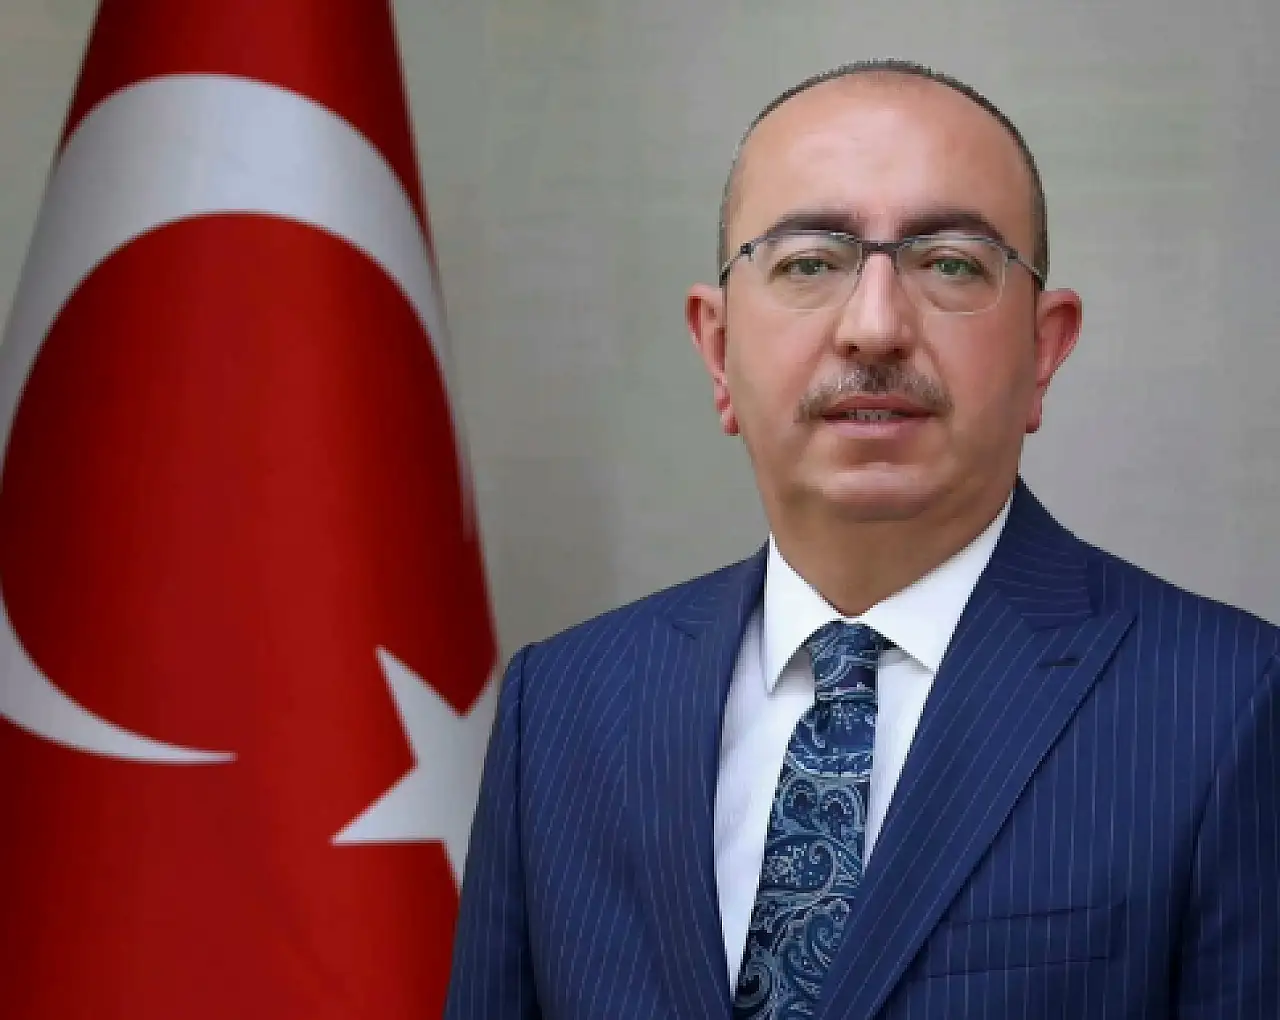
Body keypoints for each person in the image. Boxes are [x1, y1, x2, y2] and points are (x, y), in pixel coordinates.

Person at [443, 59, 1280, 1020]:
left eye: (951, 263)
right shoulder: (563, 708)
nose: (875, 328)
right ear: (717, 347)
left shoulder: (1226, 708)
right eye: (809, 263)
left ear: (1044, 349)